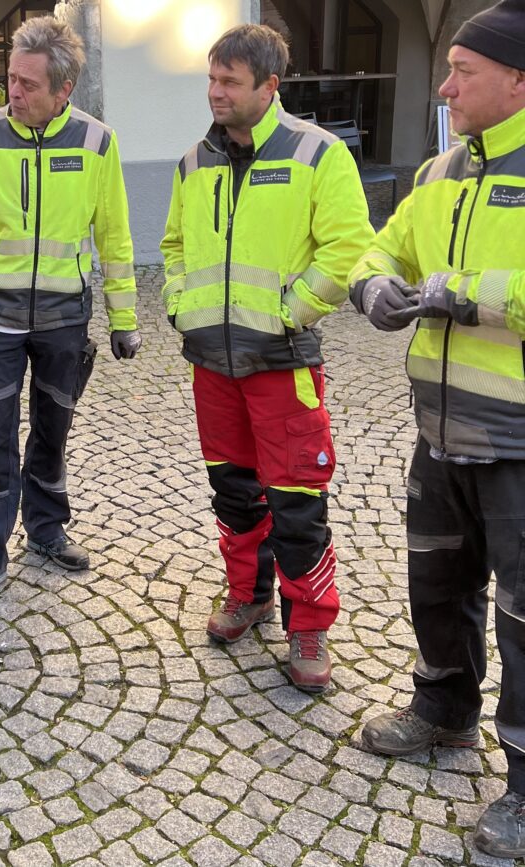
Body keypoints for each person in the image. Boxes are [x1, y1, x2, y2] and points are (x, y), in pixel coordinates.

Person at [349, 0, 525, 856]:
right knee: (437, 581)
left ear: (518, 80)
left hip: (519, 444)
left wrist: (470, 294)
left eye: (463, 71)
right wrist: (374, 286)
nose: (445, 88)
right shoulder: (439, 171)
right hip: (440, 430)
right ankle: (444, 708)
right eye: (447, 69)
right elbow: (382, 249)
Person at [160, 24, 373, 692]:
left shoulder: (318, 154)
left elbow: (348, 248)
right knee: (233, 492)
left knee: (298, 501)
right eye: (211, 78)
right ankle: (247, 593)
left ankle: (308, 624)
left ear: (269, 86)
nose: (215, 92)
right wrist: (178, 303)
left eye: (230, 81)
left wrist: (291, 312)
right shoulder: (194, 162)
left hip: (283, 367)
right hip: (211, 365)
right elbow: (173, 245)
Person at [0, 15, 141, 613]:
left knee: (52, 433)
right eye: (11, 80)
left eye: (28, 84)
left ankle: (46, 530)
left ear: (63, 90)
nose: (14, 93)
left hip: (63, 320)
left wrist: (124, 319)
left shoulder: (97, 143)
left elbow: (115, 237)